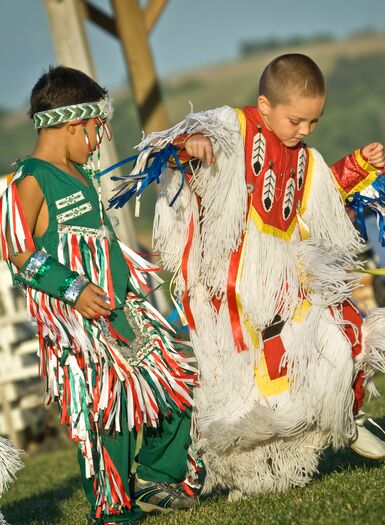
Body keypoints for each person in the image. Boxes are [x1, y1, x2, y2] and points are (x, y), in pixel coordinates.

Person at [111, 54, 385, 498]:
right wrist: (192, 142)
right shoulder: (231, 127)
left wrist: (358, 165)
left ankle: (339, 419)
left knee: (340, 336)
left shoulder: (305, 157)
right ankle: (190, 475)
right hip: (228, 292)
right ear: (265, 103)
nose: (305, 131)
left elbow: (322, 200)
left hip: (283, 285)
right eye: (297, 120)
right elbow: (177, 144)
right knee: (235, 392)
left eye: (314, 122)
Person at [0, 66, 198, 525]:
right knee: (109, 416)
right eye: (94, 131)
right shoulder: (31, 178)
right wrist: (73, 288)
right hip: (81, 326)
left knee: (176, 384)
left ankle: (155, 478)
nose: (97, 142)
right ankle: (113, 510)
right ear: (72, 124)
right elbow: (17, 250)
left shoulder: (79, 173)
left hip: (120, 305)